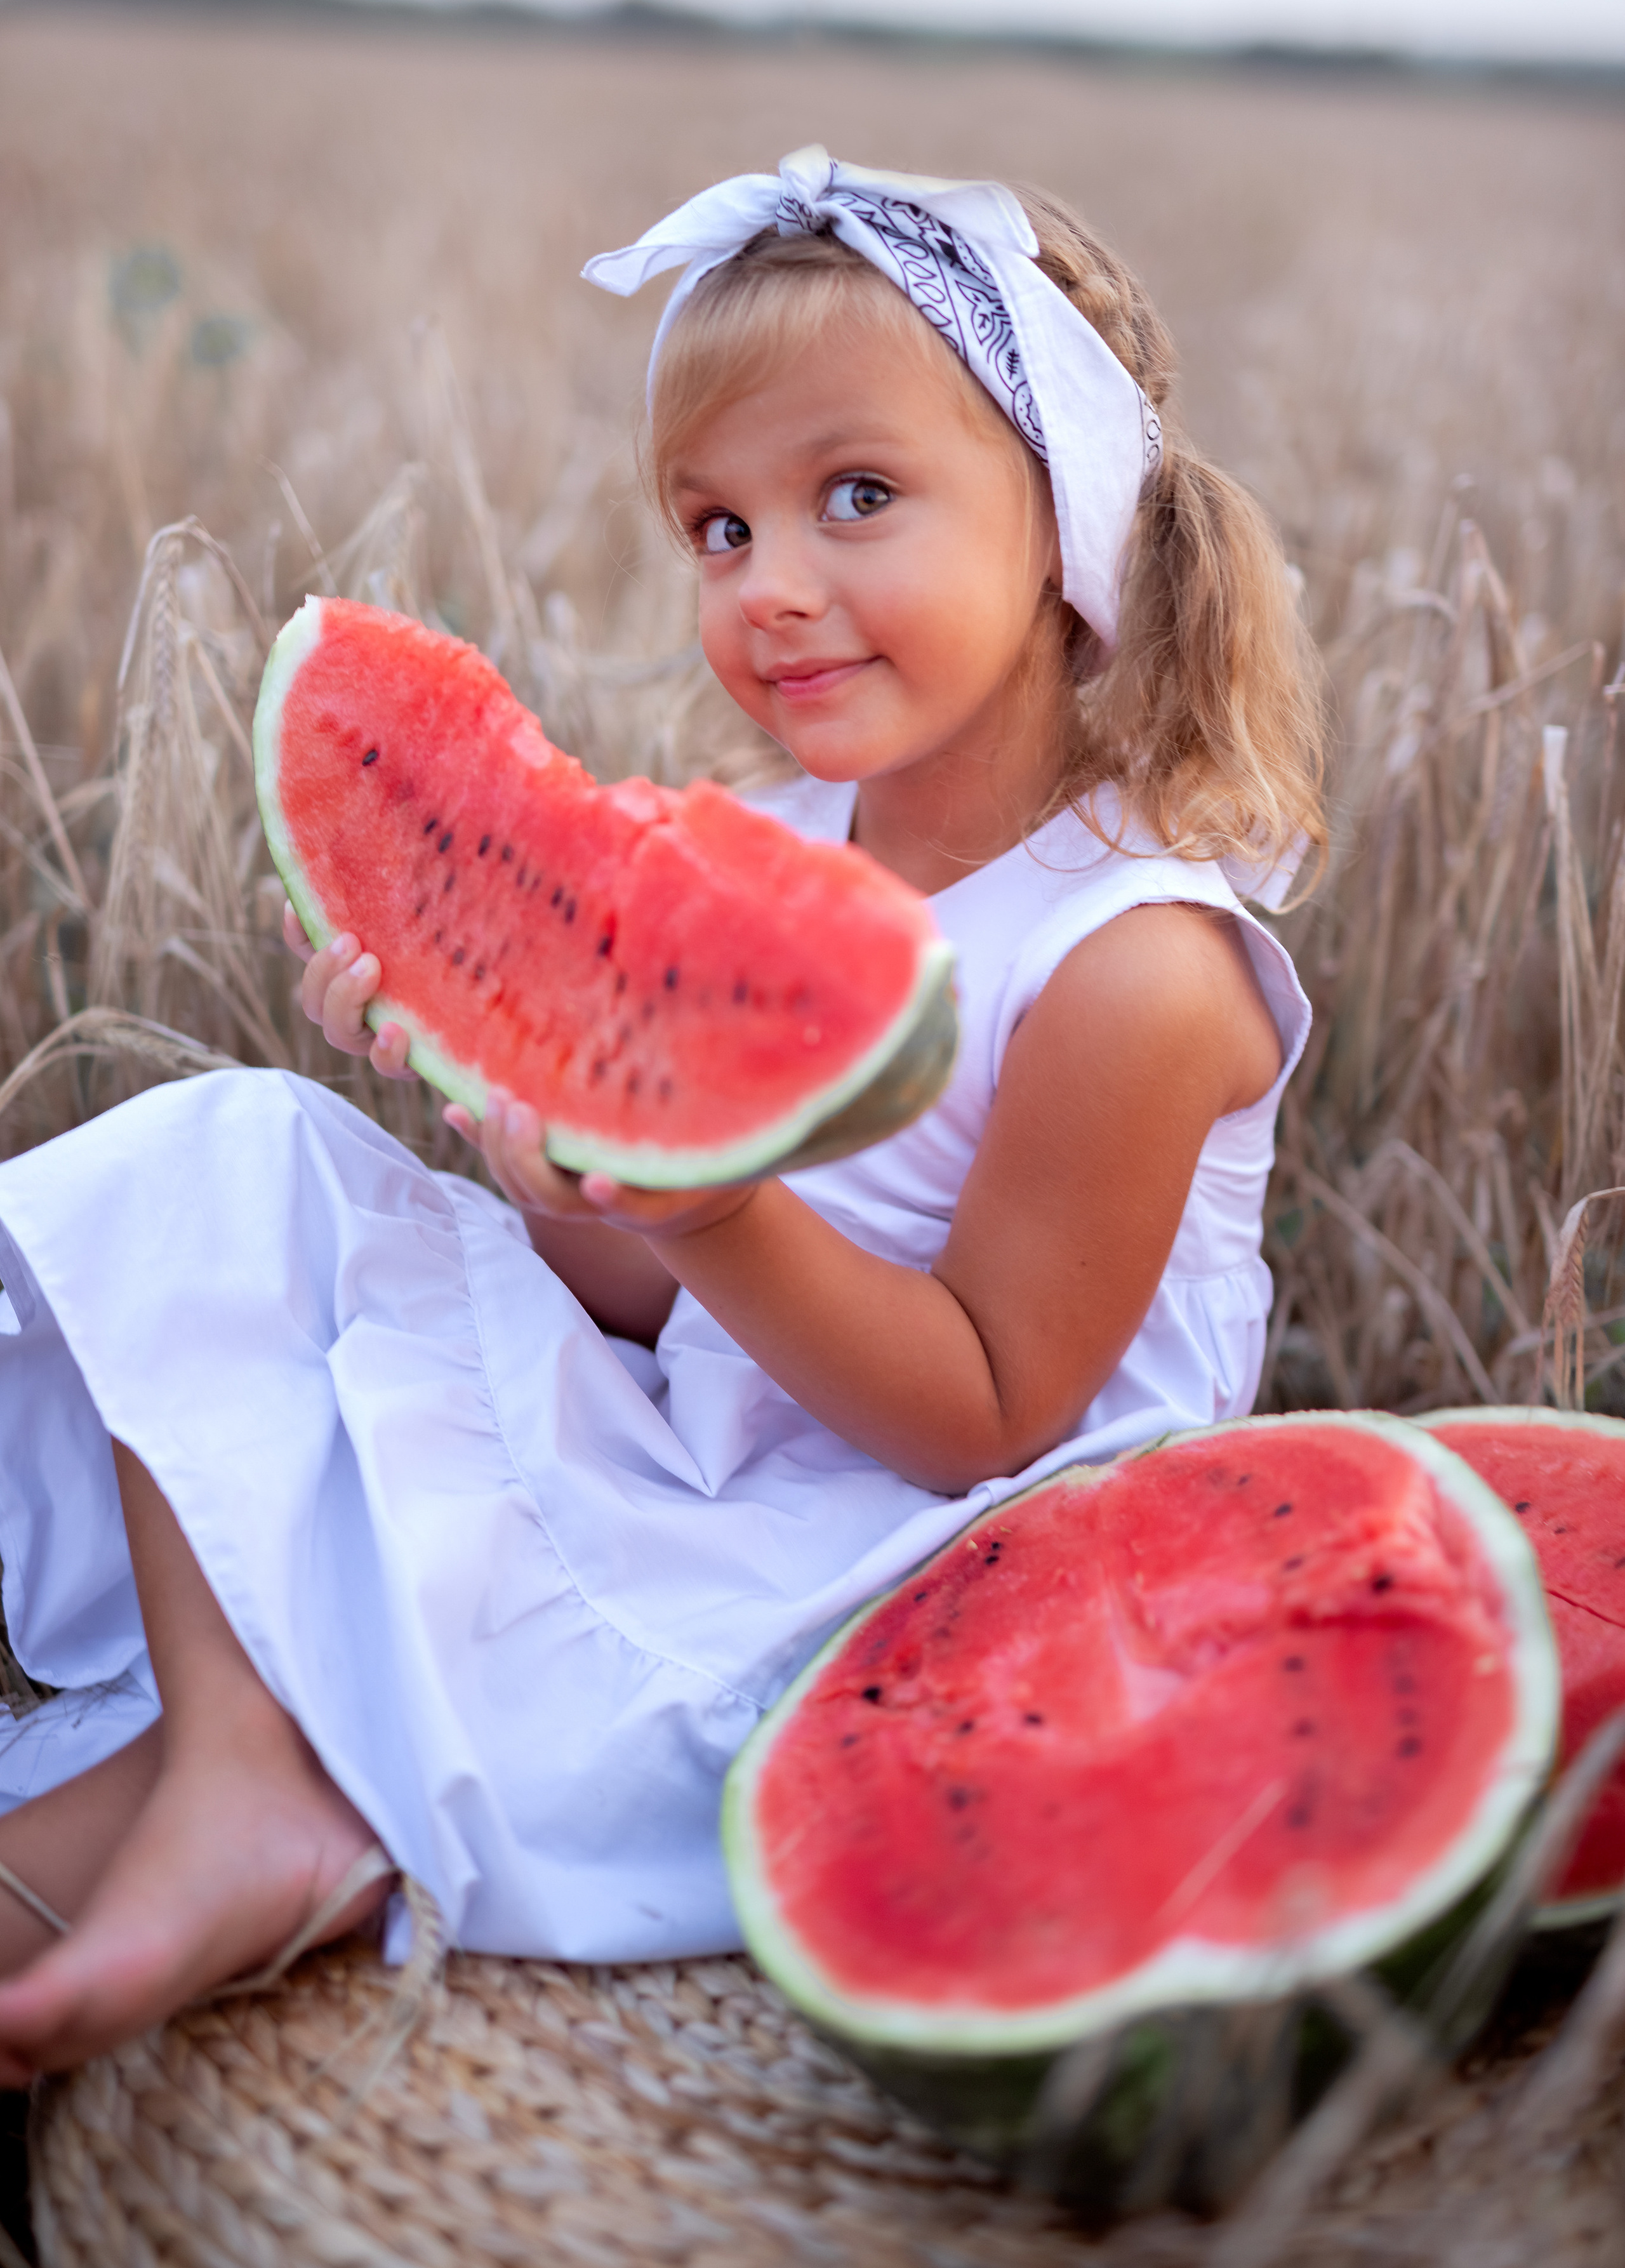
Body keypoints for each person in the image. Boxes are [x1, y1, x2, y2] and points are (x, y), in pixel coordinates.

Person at [0, 147, 1322, 2081]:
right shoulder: (765, 853)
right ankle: (237, 1766)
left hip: (904, 1583)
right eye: (714, 528)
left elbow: (985, 1410)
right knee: (240, 1158)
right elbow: (649, 1292)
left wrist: (708, 1218)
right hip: (703, 1434)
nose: (771, 589)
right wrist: (528, 1134)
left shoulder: (1134, 967)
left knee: (235, 1746)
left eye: (854, 498)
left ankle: (254, 1793)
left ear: (1069, 525)